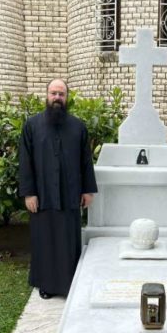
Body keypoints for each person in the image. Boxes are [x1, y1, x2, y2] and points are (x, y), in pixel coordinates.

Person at [19, 79, 97, 299]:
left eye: (61, 94)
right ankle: (46, 285)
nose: (57, 98)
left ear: (67, 97)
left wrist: (87, 190)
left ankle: (70, 282)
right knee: (44, 240)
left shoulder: (78, 127)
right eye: (53, 93)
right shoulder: (32, 126)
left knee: (67, 241)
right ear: (47, 95)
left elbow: (85, 161)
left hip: (70, 195)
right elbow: (25, 161)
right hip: (42, 196)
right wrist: (29, 193)